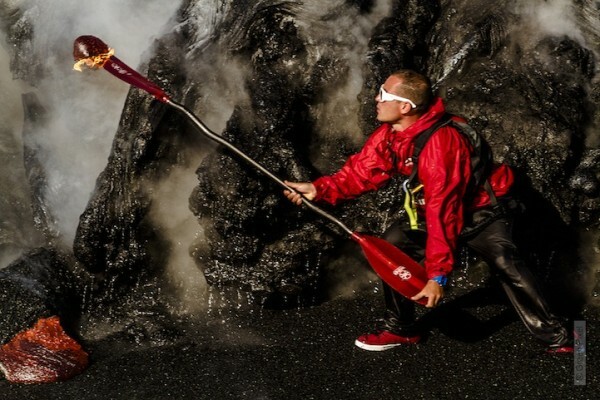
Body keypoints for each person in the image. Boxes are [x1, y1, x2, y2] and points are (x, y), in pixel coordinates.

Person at [283, 69, 573, 354]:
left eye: (384, 95)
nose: (376, 98)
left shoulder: (441, 145)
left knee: (506, 262)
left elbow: (444, 212)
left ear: (405, 106)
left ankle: (559, 337)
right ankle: (401, 329)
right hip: (434, 208)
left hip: (481, 210)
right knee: (393, 247)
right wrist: (318, 189)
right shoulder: (392, 133)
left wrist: (438, 277)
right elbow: (363, 172)